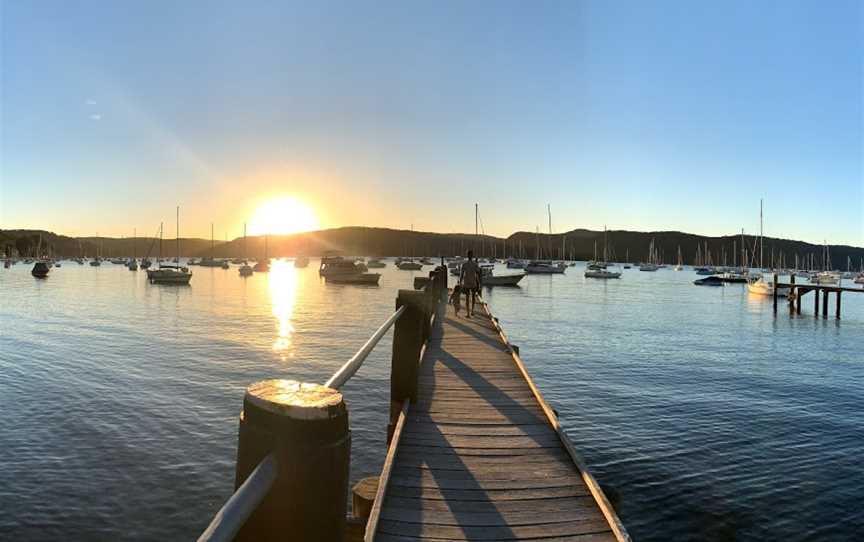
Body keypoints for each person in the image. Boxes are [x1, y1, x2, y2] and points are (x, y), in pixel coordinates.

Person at [459, 250, 481, 317]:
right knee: (473, 297)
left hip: (466, 282)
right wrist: (479, 283)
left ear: (467, 256)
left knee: (467, 298)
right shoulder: (475, 264)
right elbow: (478, 272)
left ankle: (468, 313)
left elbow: (462, 275)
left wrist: (460, 282)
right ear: (472, 256)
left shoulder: (464, 264)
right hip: (473, 282)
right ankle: (472, 311)